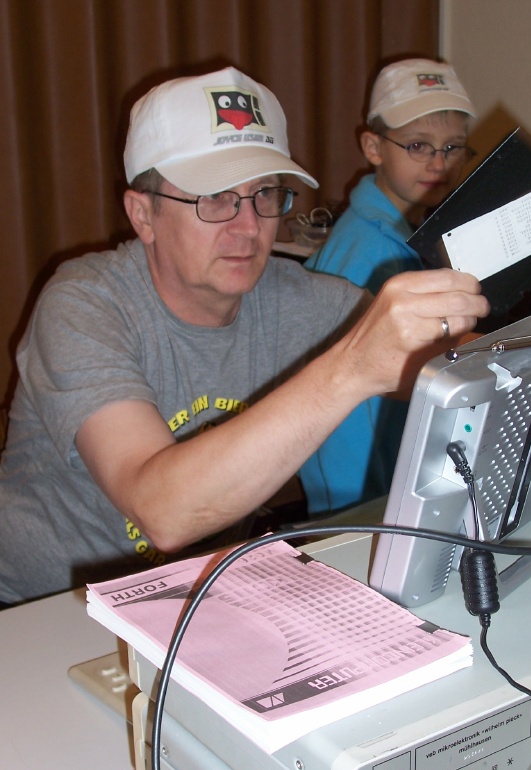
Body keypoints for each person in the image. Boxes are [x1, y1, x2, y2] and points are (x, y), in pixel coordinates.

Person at [0, 66, 489, 605]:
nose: (249, 227)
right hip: (43, 612)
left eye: (264, 194)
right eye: (214, 197)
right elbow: (163, 513)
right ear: (143, 214)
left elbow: (463, 365)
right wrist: (351, 368)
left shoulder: (293, 297)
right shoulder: (83, 303)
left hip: (200, 596)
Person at [299, 58, 478, 515]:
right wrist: (362, 510)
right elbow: (341, 413)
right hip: (361, 497)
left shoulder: (403, 235)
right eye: (418, 145)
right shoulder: (369, 256)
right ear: (373, 147)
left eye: (453, 147)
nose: (439, 163)